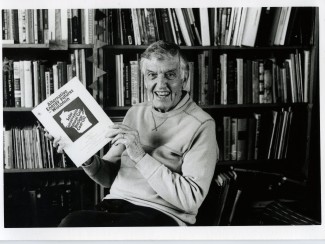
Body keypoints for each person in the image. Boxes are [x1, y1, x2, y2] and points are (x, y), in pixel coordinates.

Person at [50, 40, 219, 227]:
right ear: (145, 80)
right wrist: (86, 158)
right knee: (70, 223)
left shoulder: (202, 124)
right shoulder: (135, 112)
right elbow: (108, 177)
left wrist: (139, 155)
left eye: (170, 75)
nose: (161, 84)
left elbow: (190, 199)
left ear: (184, 78)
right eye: (152, 75)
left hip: (160, 214)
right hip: (115, 206)